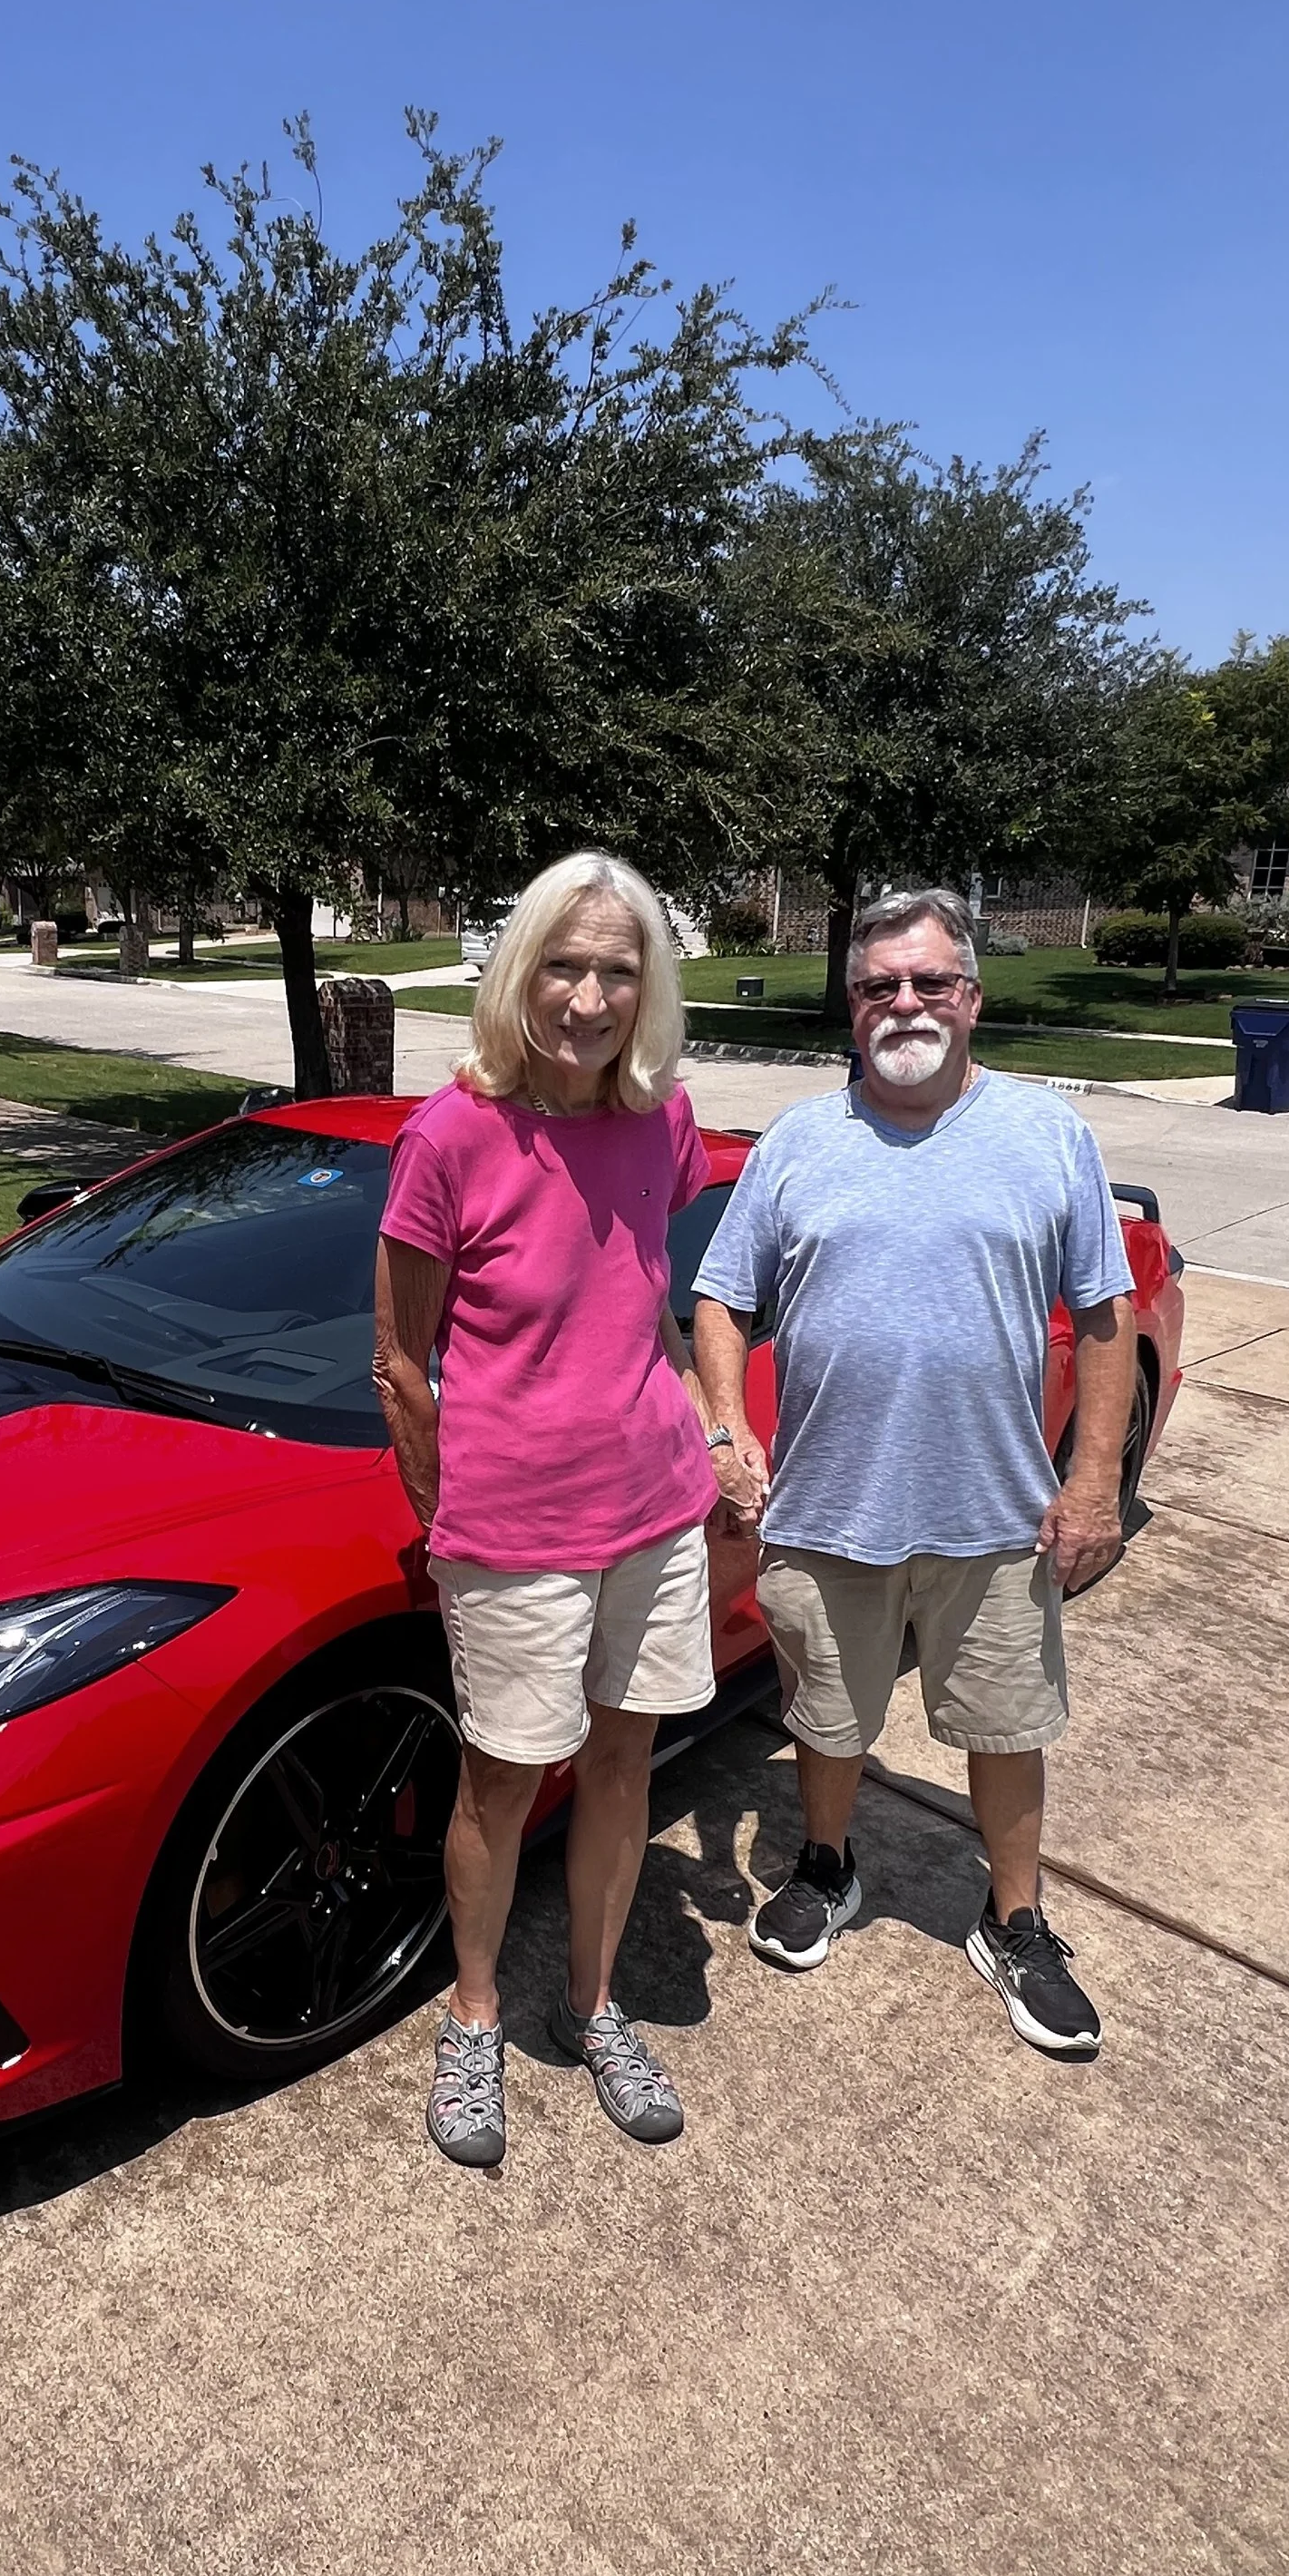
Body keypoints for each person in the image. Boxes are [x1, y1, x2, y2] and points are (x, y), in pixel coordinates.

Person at [689, 885, 1138, 2059]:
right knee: (827, 1715)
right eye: (880, 984)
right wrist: (728, 1428)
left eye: (928, 980)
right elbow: (720, 1299)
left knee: (1005, 1719)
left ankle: (1017, 1917)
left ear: (972, 998)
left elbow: (1104, 1317)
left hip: (991, 1510)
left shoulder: (1047, 1133)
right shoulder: (799, 1140)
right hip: (827, 1503)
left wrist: (1092, 1486)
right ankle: (827, 1866)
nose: (904, 1002)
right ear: (852, 1008)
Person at [372, 851, 722, 2165]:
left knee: (627, 1765)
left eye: (617, 971)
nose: (588, 997)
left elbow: (647, 1299)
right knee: (503, 1783)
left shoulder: (663, 1121)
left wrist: (702, 1423)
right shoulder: (451, 1137)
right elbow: (400, 1362)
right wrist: (445, 1516)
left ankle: (591, 2001)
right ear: (522, 972)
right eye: (565, 966)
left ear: (650, 989)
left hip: (655, 1509)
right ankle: (473, 2018)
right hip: (513, 1530)